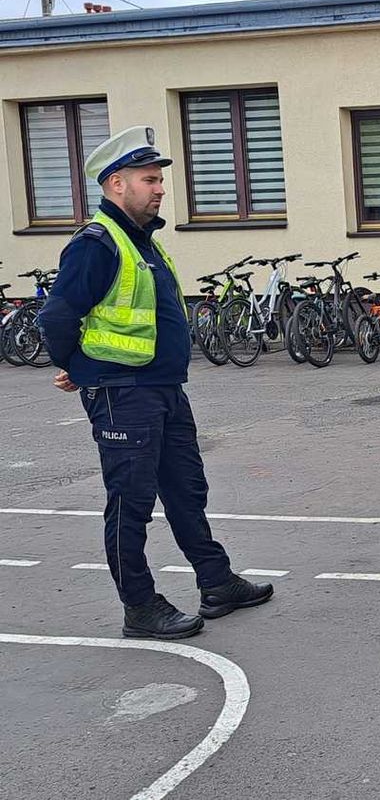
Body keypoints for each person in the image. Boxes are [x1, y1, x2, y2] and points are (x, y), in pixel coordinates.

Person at [37, 126, 273, 641]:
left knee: (187, 491)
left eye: (159, 179)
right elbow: (57, 316)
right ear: (117, 183)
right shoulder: (97, 244)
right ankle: (140, 608)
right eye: (150, 179)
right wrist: (79, 367)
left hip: (162, 389)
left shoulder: (142, 242)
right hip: (124, 395)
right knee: (131, 503)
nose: (161, 188)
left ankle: (216, 582)